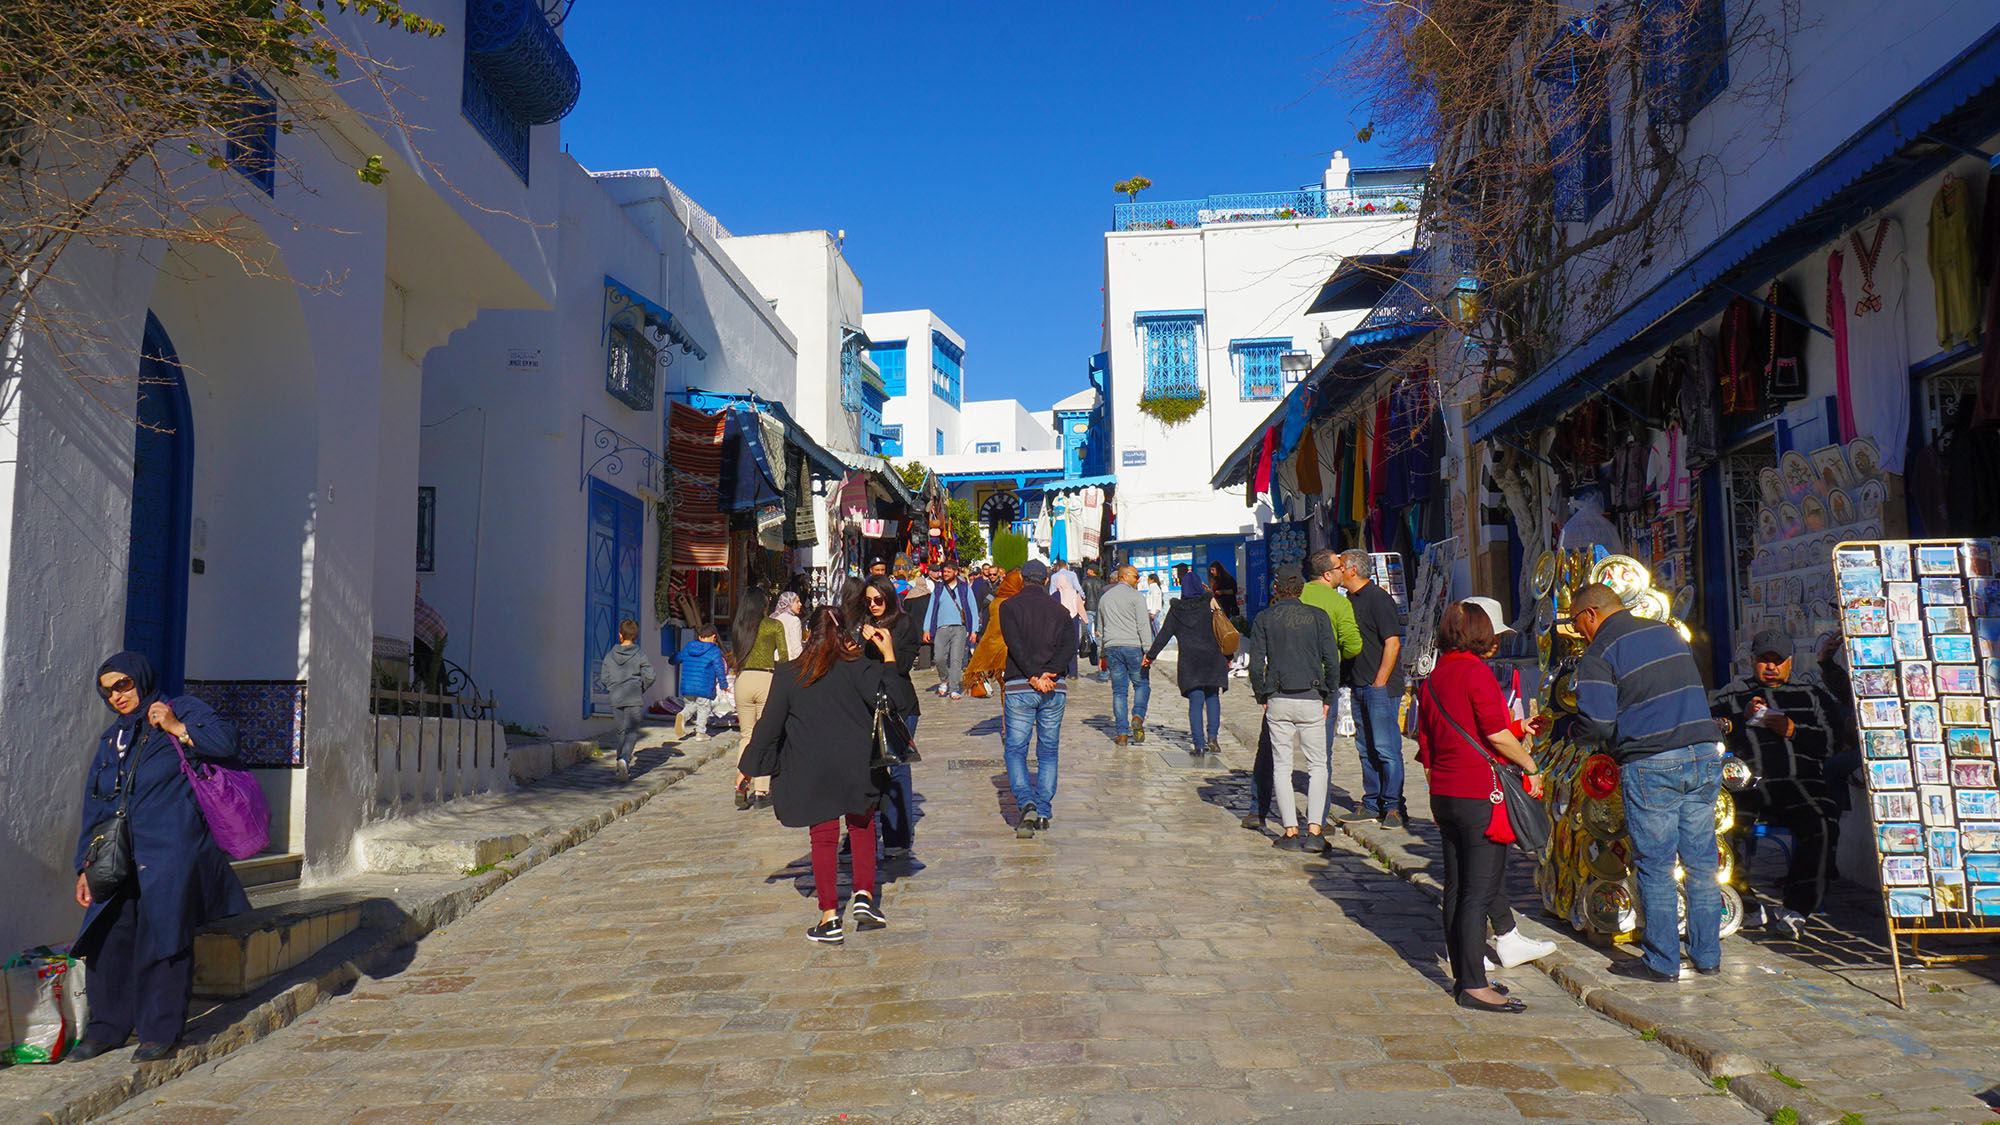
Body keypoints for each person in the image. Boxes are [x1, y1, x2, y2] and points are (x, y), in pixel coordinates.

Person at [70, 652, 251, 1061]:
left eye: (123, 684)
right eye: (108, 690)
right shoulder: (111, 739)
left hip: (171, 851)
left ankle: (159, 1031)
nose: (117, 696)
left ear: (141, 678)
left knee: (164, 939)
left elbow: (226, 743)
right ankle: (106, 1028)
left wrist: (175, 727)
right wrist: (84, 865)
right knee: (107, 941)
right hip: (116, 857)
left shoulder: (181, 708)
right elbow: (96, 804)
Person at [1572, 582, 1725, 982]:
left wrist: (1575, 735)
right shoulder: (1668, 632)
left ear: (1592, 614)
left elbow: (1598, 722)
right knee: (1702, 863)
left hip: (1654, 760)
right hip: (1704, 751)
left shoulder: (1600, 652)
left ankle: (1661, 962)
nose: (1578, 632)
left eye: (1576, 623)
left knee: (1656, 865)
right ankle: (1707, 955)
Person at [737, 607, 915, 945]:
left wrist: (748, 767)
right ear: (843, 634)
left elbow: (769, 727)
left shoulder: (790, 674)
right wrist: (889, 656)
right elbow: (895, 701)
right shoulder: (859, 668)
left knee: (823, 837)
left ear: (809, 635)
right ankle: (864, 896)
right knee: (862, 828)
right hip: (857, 763)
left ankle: (829, 917)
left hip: (812, 767)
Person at [1414, 602, 1546, 1013]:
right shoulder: (1476, 673)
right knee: (1478, 891)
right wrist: (1531, 765)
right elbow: (1495, 735)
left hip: (1447, 793)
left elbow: (1429, 746)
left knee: (1456, 888)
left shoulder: (1433, 679)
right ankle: (1473, 984)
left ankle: (1464, 975)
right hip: (1480, 793)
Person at [1709, 628, 1856, 935]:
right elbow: (1705, 728)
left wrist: (1791, 730)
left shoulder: (1811, 695)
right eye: (1765, 661)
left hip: (1798, 780)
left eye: (1778, 661)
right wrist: (1737, 718)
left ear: (1790, 662)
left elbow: (1832, 742)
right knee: (1721, 826)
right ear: (1752, 661)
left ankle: (1798, 906)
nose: (1772, 667)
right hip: (1745, 783)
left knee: (1822, 821)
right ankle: (1743, 903)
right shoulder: (1732, 695)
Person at [1245, 567, 1342, 851]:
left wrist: (1262, 694)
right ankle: (1314, 829)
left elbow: (1256, 664)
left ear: (1276, 589)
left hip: (1278, 695)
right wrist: (1329, 696)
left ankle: (1289, 831)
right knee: (1318, 766)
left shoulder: (1265, 618)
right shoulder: (1317, 617)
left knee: (1282, 765)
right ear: (1300, 589)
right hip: (1311, 695)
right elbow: (1331, 660)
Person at [998, 560, 1079, 838]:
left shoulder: (1009, 607)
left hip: (1021, 685)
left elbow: (1015, 643)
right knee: (1048, 750)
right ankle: (1043, 809)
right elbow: (1070, 645)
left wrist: (1033, 675)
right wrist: (1050, 672)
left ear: (1021, 580)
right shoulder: (1061, 612)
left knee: (1016, 749)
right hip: (1053, 688)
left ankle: (1026, 801)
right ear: (1046, 581)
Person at [1335, 549, 1408, 828]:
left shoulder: (1378, 598)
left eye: (1341, 565)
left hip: (1381, 686)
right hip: (1358, 683)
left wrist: (1380, 681)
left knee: (1386, 748)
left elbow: (1393, 642)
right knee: (1365, 747)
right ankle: (1371, 802)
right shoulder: (1348, 601)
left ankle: (1393, 806)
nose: (1338, 570)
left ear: (1353, 569)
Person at [855, 575, 923, 860]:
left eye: (878, 600)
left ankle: (898, 834)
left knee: (896, 768)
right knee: (868, 769)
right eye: (868, 600)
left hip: (899, 705)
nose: (873, 605)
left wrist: (887, 647)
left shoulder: (904, 624)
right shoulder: (861, 625)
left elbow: (905, 665)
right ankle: (864, 833)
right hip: (867, 704)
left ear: (889, 598)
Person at [1299, 550, 1366, 827]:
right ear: (1327, 574)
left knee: (1274, 754)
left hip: (1287, 685)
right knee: (1321, 753)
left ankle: (1260, 807)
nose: (1344, 570)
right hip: (1324, 685)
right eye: (1339, 567)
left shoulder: (1295, 596)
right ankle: (1320, 816)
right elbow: (1354, 645)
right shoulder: (1339, 604)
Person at [1144, 574, 1230, 758]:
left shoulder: (1177, 610)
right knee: (1213, 697)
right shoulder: (1211, 604)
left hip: (1191, 662)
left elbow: (1163, 635)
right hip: (1213, 659)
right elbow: (1225, 629)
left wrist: (1150, 656)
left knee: (1196, 702)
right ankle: (1213, 739)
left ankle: (1199, 745)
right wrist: (1229, 656)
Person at [731, 587, 790, 809]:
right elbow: (784, 657)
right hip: (766, 678)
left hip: (743, 679)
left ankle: (741, 782)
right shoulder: (773, 625)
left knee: (746, 735)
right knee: (766, 734)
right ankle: (762, 789)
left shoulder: (739, 627)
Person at [1098, 564, 1154, 745]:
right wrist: (1148, 651)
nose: (1138, 580)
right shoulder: (1136, 597)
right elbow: (1143, 626)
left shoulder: (1105, 598)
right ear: (1124, 576)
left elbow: (1100, 629)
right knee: (1142, 684)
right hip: (1133, 647)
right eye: (1136, 576)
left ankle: (1121, 733)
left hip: (1113, 647)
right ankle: (1137, 716)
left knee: (1119, 691)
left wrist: (1102, 654)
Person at [600, 619, 657, 781]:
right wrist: (641, 687)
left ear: (620, 635)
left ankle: (620, 764)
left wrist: (612, 687)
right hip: (634, 697)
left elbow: (604, 677)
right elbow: (650, 675)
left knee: (620, 732)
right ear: (636, 636)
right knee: (631, 732)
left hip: (616, 698)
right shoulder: (640, 655)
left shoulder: (610, 655)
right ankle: (624, 758)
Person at [924, 560, 978, 701]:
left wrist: (974, 630)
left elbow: (973, 608)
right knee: (939, 657)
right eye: (944, 572)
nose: (945, 574)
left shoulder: (965, 588)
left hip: (959, 628)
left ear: (956, 572)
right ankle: (944, 679)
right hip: (941, 628)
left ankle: (954, 688)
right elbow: (931, 609)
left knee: (956, 660)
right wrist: (926, 629)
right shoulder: (938, 588)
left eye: (948, 571)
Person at [670, 623, 723, 747]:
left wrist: (671, 659)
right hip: (704, 686)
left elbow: (677, 658)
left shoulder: (689, 647)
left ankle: (682, 716)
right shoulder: (714, 650)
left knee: (691, 705)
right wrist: (723, 683)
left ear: (700, 637)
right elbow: (719, 668)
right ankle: (700, 733)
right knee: (704, 708)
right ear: (714, 637)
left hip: (688, 686)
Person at [773, 591, 805, 665]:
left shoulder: (774, 618)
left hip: (775, 660)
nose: (800, 604)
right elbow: (796, 648)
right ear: (789, 602)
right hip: (790, 661)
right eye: (797, 602)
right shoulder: (794, 620)